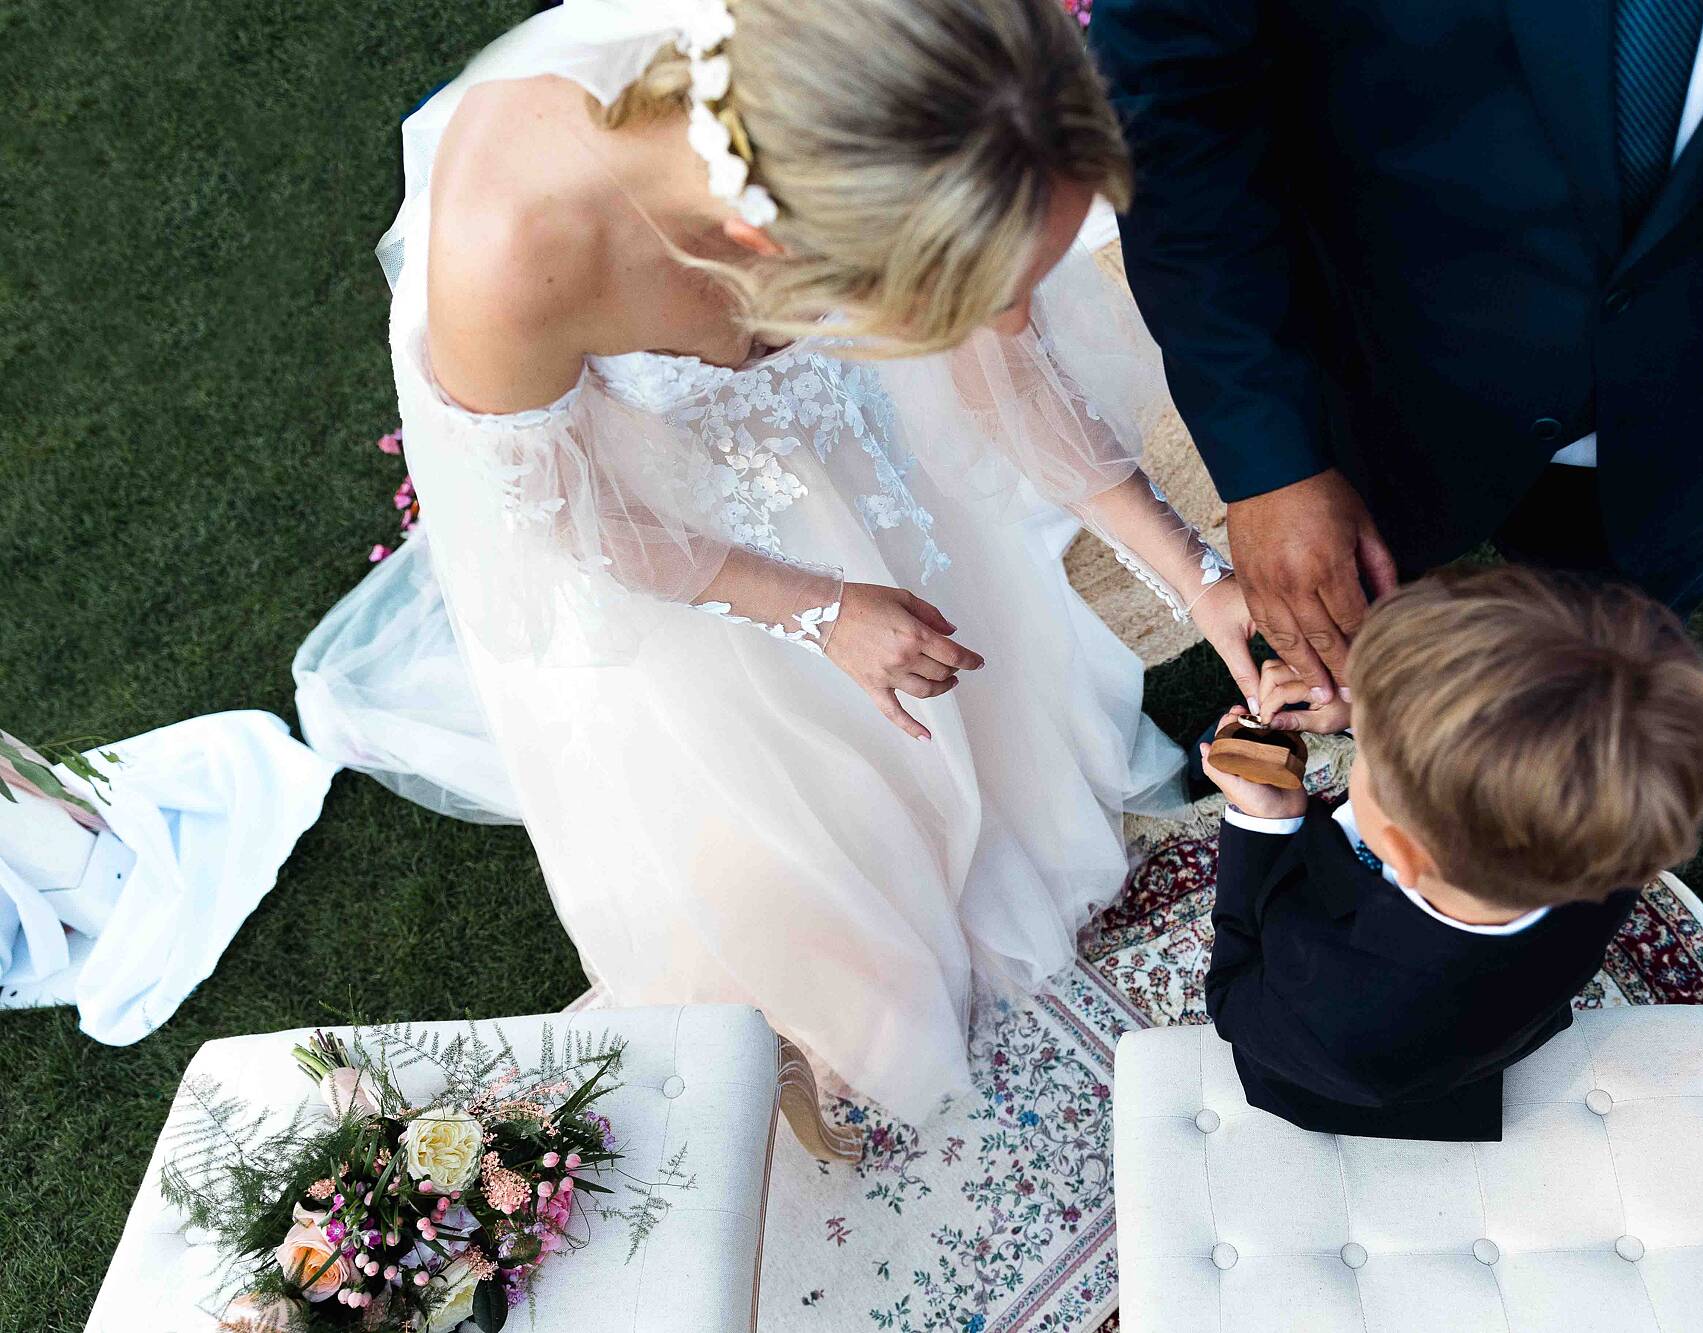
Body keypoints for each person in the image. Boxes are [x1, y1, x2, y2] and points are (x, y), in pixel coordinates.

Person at [348, 0, 1261, 1122]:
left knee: (977, 704)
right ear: (781, 249)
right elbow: (565, 520)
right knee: (791, 832)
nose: (1001, 314)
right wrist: (816, 611)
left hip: (842, 456)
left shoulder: (942, 91)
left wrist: (1198, 576)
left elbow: (1008, 374)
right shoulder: (519, 246)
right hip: (674, 541)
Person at [1093, 0, 1703, 707]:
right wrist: (1268, 459)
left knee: (1600, 688)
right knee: (1355, 616)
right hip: (1382, 362)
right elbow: (1174, 104)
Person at [1197, 566, 1703, 1139]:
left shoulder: (1341, 1021)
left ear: (1402, 853)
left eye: (1372, 757)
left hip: (1339, 1079)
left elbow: (1232, 996)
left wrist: (1265, 825)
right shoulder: (1608, 839)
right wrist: (1394, 718)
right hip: (1495, 1015)